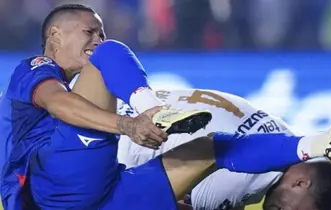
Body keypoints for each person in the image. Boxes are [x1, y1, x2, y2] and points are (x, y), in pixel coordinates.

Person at [25, 35, 331, 210]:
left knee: (107, 52)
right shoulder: (242, 182)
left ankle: (316, 142)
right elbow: (180, 188)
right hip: (100, 165)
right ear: (301, 184)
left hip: (86, 123)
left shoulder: (273, 129)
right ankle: (319, 141)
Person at [0, 4, 211, 210]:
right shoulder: (33, 68)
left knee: (215, 149)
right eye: (89, 32)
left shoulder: (67, 87)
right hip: (49, 193)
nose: (98, 41)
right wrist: (127, 125)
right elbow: (58, 103)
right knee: (109, 51)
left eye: (101, 35)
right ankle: (155, 110)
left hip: (90, 194)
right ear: (55, 35)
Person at [117, 89, 331, 210]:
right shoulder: (244, 178)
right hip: (112, 151)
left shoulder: (280, 137)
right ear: (301, 183)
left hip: (120, 113)